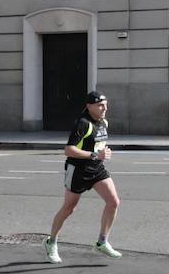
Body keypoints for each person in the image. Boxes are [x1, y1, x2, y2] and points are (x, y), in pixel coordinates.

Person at [44, 91, 122, 263]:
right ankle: (51, 242)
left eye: (106, 105)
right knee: (69, 209)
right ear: (89, 106)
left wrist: (104, 152)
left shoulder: (103, 122)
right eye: (100, 105)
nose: (104, 108)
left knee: (113, 202)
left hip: (97, 169)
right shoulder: (82, 123)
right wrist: (95, 154)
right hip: (78, 170)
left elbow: (98, 145)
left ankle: (102, 242)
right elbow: (69, 150)